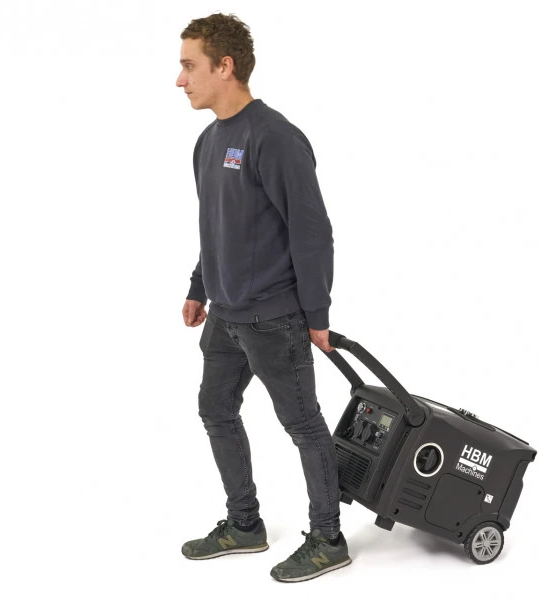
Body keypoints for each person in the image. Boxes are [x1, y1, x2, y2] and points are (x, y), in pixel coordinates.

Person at [174, 13, 350, 583]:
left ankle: (328, 538)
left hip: (274, 317)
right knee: (215, 409)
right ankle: (244, 524)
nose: (180, 79)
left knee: (303, 425)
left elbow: (312, 232)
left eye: (190, 66)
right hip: (226, 315)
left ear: (225, 67)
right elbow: (217, 225)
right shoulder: (208, 141)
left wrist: (317, 314)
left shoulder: (273, 137)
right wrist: (200, 286)